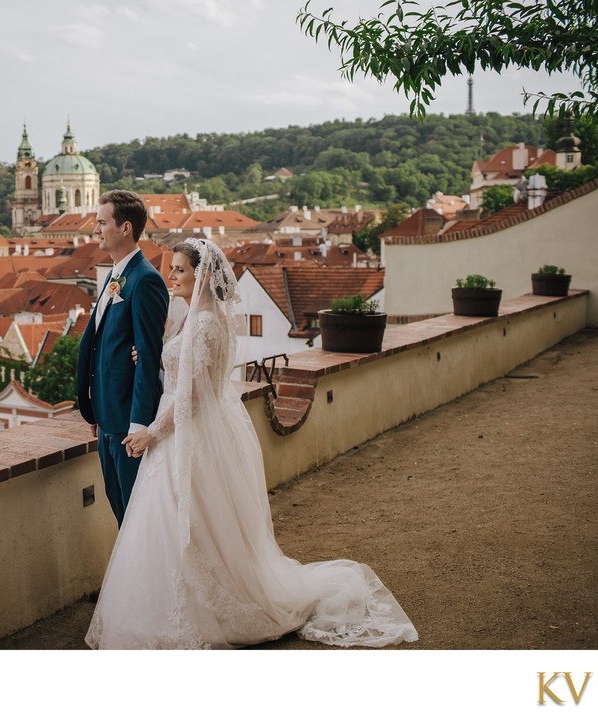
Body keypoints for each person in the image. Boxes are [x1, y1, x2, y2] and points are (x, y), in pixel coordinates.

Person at [86, 238, 418, 649]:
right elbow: (184, 368)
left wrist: (154, 431)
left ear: (201, 274)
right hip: (193, 425)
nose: (171, 276)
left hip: (187, 428)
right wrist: (154, 359)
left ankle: (208, 607)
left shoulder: (206, 322)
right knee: (187, 521)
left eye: (179, 270)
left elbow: (192, 392)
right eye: (172, 269)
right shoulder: (198, 315)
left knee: (192, 519)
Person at [77, 190, 169, 526]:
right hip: (107, 419)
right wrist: (95, 408)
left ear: (125, 228)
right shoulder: (116, 274)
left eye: (102, 223)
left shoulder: (145, 280)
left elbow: (147, 356)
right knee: (121, 512)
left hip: (129, 424)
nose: (96, 229)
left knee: (137, 519)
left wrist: (140, 424)